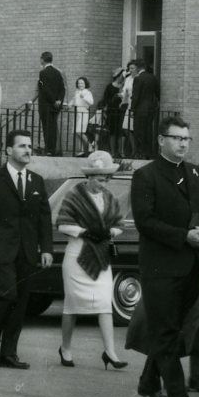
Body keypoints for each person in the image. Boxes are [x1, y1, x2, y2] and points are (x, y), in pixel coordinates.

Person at [128, 112, 199, 397]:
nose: (182, 144)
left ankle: (149, 382)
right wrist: (184, 236)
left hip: (192, 265)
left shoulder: (195, 173)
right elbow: (145, 221)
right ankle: (178, 394)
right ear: (161, 140)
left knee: (174, 328)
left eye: (186, 139)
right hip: (161, 267)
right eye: (176, 138)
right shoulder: (146, 176)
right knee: (165, 329)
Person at [0, 128, 54, 370]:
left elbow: (43, 219)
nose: (28, 150)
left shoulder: (37, 181)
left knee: (20, 304)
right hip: (1, 251)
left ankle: (9, 353)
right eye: (22, 146)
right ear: (9, 150)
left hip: (28, 253)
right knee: (6, 296)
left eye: (30, 146)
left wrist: (46, 249)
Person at [54, 152, 126, 370]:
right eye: (98, 179)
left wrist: (109, 232)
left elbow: (119, 224)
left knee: (105, 303)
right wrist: (85, 231)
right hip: (77, 256)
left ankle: (110, 352)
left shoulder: (109, 198)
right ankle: (65, 348)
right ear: (89, 177)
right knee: (73, 305)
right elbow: (62, 224)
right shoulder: (74, 196)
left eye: (105, 179)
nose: (102, 183)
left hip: (101, 255)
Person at [127, 58, 161, 161]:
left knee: (139, 131)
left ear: (138, 68)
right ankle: (149, 153)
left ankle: (140, 153)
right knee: (148, 131)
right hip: (151, 108)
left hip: (140, 109)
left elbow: (136, 96)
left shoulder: (138, 79)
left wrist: (132, 109)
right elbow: (158, 93)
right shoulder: (153, 78)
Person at [36, 51, 66, 156]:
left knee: (46, 127)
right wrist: (58, 100)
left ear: (43, 59)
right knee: (53, 127)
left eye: (40, 58)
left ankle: (49, 150)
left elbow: (45, 89)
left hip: (46, 105)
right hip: (56, 106)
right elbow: (62, 88)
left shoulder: (43, 73)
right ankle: (53, 149)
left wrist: (53, 100)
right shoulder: (58, 72)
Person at [99, 68, 129, 160]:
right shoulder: (110, 86)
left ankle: (121, 151)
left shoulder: (125, 86)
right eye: (121, 76)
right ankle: (112, 152)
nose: (122, 78)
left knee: (121, 132)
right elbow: (106, 99)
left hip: (121, 111)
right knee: (112, 132)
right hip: (112, 111)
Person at [68, 76, 98, 158]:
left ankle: (89, 145)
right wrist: (69, 105)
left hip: (83, 112)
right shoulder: (77, 92)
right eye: (78, 83)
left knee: (79, 131)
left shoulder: (87, 92)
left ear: (85, 84)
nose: (80, 84)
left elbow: (91, 102)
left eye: (82, 83)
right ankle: (82, 150)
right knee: (77, 131)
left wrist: (83, 97)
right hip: (77, 112)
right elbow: (74, 100)